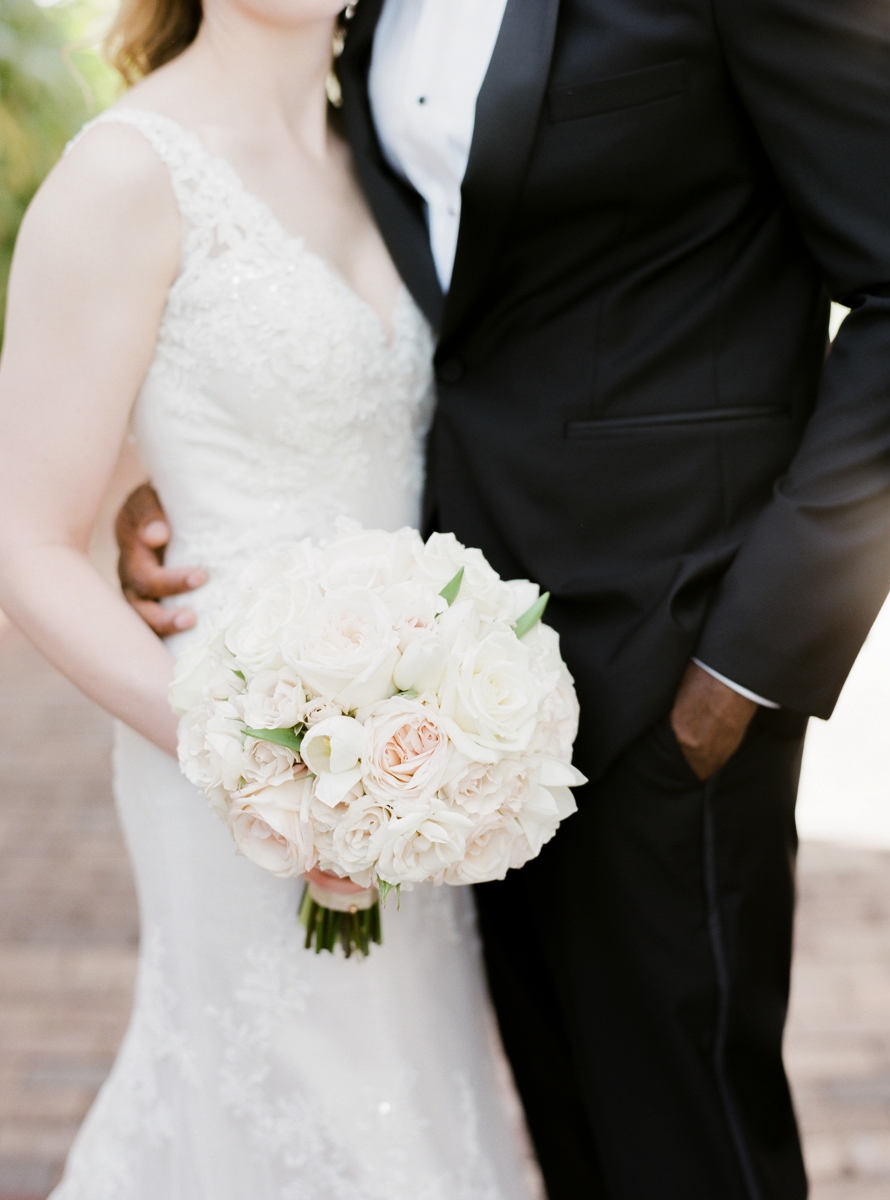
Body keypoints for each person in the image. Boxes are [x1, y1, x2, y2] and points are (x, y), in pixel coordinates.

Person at [118, 1, 890, 1197]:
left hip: (677, 662)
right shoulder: (364, 9)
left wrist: (747, 668)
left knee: (689, 1151)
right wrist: (165, 480)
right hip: (460, 698)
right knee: (575, 1140)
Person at [0, 1, 541, 1197]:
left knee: (409, 1086)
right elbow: (24, 541)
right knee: (291, 1095)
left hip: (412, 748)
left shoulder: (393, 161)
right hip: (218, 735)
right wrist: (253, 752)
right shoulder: (125, 174)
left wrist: (418, 734)